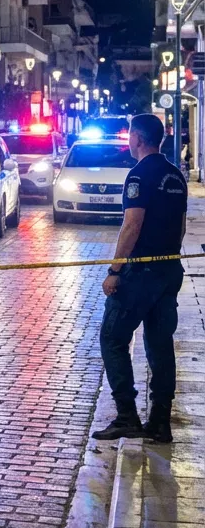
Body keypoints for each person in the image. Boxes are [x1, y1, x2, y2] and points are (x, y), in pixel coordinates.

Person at [92, 113, 187, 444]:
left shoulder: (139, 175)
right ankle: (160, 421)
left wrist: (115, 270)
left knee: (112, 337)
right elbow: (181, 226)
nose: (128, 140)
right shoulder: (176, 175)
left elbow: (132, 225)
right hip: (169, 269)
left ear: (139, 139)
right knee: (160, 345)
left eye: (130, 134)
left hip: (142, 273)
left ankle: (127, 415)